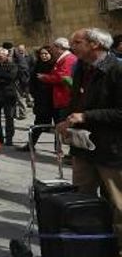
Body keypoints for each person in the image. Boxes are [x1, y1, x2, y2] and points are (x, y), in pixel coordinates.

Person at [57, 28, 122, 249]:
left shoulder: (117, 69)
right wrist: (67, 121)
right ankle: (86, 244)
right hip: (83, 147)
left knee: (117, 202)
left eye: (77, 41)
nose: (71, 45)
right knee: (81, 197)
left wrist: (86, 116)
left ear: (94, 45)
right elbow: (76, 101)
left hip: (111, 149)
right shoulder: (81, 68)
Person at [20, 46, 58, 151]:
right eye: (42, 54)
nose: (44, 56)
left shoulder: (55, 65)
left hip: (54, 99)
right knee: (39, 124)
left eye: (46, 54)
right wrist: (34, 94)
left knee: (58, 125)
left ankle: (58, 148)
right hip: (41, 100)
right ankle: (31, 145)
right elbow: (32, 82)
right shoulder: (37, 66)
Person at [37, 37, 77, 132]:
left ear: (59, 47)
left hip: (64, 97)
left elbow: (62, 77)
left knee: (63, 127)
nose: (52, 50)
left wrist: (45, 77)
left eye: (53, 48)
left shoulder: (68, 59)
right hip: (60, 97)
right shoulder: (63, 58)